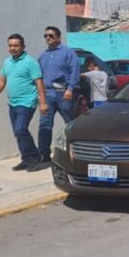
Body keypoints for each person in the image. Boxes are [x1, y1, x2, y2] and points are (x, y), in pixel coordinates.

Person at [0, 34, 47, 171]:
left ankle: (34, 157)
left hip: (27, 102)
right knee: (18, 132)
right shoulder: (7, 62)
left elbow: (39, 83)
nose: (12, 48)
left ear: (23, 46)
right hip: (12, 103)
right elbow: (2, 80)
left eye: (16, 45)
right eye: (10, 46)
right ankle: (26, 159)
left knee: (20, 129)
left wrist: (43, 103)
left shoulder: (30, 62)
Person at [37, 26, 79, 162]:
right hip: (47, 93)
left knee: (70, 123)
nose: (48, 38)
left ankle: (75, 152)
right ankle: (44, 153)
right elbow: (38, 75)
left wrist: (70, 89)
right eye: (46, 36)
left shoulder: (68, 53)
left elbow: (74, 71)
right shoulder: (43, 55)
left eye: (51, 35)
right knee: (44, 123)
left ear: (58, 38)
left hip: (63, 92)